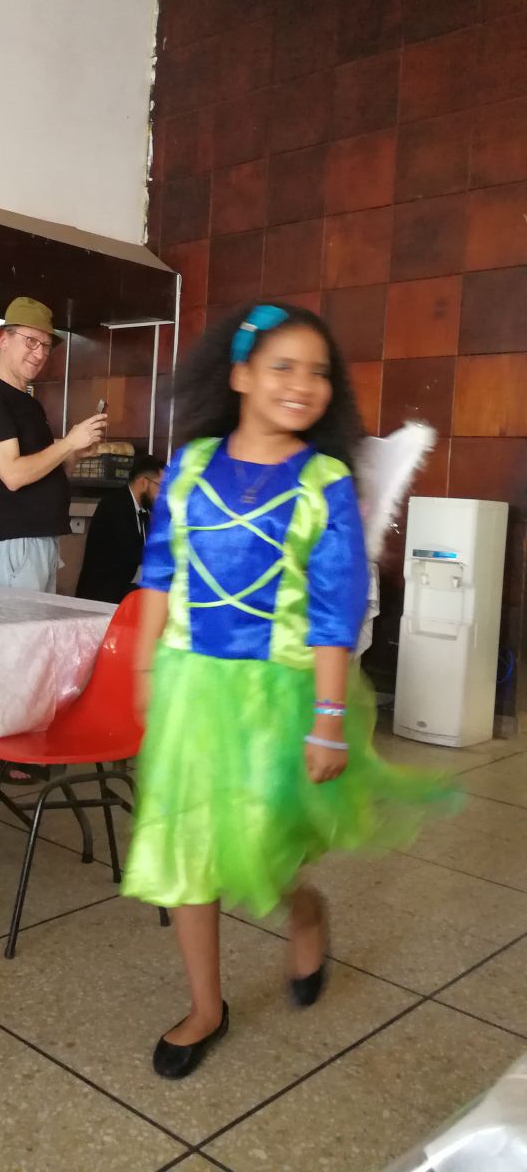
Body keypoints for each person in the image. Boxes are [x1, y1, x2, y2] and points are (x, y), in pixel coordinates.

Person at [121, 303, 458, 1080]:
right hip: (189, 686)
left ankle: (305, 911)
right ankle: (206, 1007)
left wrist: (330, 720)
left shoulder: (324, 481)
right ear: (239, 376)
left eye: (318, 372)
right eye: (282, 366)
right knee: (191, 848)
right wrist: (142, 673)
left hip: (282, 692)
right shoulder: (190, 467)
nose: (302, 384)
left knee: (263, 842)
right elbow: (160, 573)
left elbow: (336, 611)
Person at [0, 296, 106, 593]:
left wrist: (73, 454)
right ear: (3, 339)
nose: (40, 353)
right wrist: (68, 443)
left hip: (38, 541)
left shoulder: (29, 403)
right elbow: (14, 476)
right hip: (13, 545)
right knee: (17, 625)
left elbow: (45, 474)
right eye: (31, 341)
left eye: (45, 346)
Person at [76, 453, 164, 604]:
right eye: (160, 487)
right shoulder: (115, 504)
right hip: (102, 597)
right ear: (144, 482)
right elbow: (130, 554)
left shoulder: (143, 510)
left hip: (125, 593)